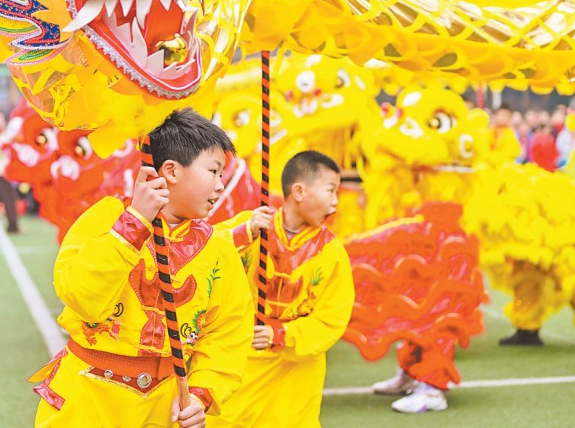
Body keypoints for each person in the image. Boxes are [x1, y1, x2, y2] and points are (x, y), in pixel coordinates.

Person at [28, 108, 253, 427]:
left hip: (165, 408)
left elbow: (227, 331)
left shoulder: (218, 248)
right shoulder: (107, 217)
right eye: (214, 171)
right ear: (172, 171)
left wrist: (202, 394)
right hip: (88, 399)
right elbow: (79, 293)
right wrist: (133, 225)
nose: (220, 186)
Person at [209, 151, 355, 428]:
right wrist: (242, 233)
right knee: (224, 419)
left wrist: (281, 335)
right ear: (299, 191)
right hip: (243, 352)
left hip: (296, 367)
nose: (336, 202)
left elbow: (332, 319)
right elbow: (201, 252)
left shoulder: (333, 252)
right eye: (330, 190)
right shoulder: (253, 225)